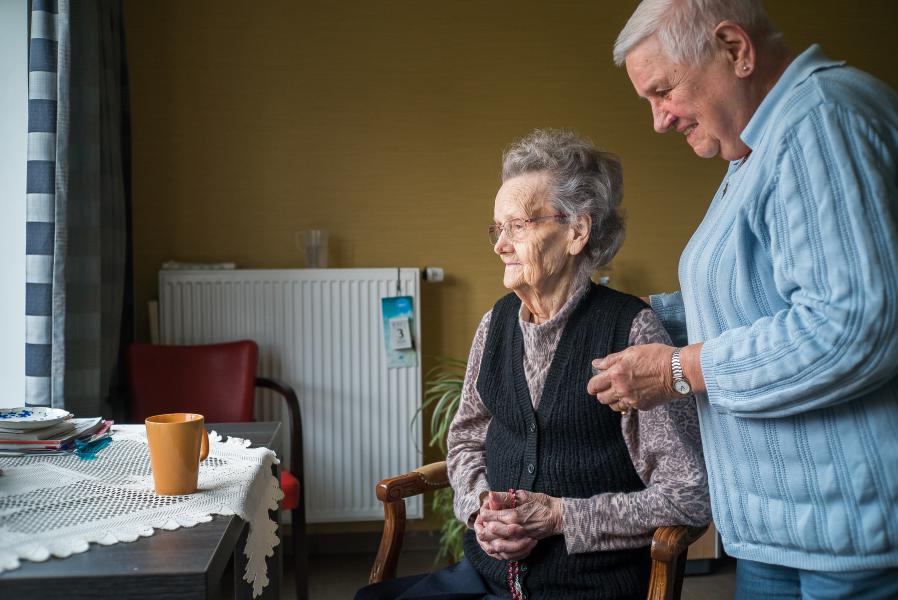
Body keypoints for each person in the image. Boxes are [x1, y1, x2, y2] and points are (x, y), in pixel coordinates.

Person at [590, 1, 898, 598]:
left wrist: (679, 370)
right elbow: (749, 297)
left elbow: (852, 324)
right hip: (785, 531)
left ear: (734, 49)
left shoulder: (821, 121)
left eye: (663, 92)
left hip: (850, 538)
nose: (659, 120)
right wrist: (621, 319)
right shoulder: (759, 145)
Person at [355, 129, 710, 600]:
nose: (500, 245)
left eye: (518, 226)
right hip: (484, 574)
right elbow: (466, 438)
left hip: (583, 585)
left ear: (577, 232)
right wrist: (481, 506)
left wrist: (562, 516)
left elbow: (688, 493)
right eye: (496, 229)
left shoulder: (630, 331)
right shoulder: (496, 324)